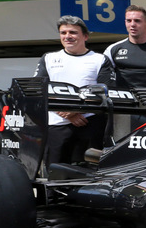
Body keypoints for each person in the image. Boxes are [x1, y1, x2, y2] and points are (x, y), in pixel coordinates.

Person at [36, 16, 115, 167]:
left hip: (89, 123)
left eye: (73, 32)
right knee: (56, 173)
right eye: (63, 33)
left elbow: (106, 92)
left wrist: (76, 111)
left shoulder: (99, 59)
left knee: (90, 173)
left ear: (85, 36)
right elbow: (39, 90)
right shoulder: (49, 58)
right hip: (57, 124)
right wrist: (66, 111)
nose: (67, 36)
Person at [105, 5, 146, 138]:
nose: (132, 24)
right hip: (122, 111)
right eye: (129, 21)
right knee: (121, 150)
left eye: (137, 21)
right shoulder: (113, 50)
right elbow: (104, 80)